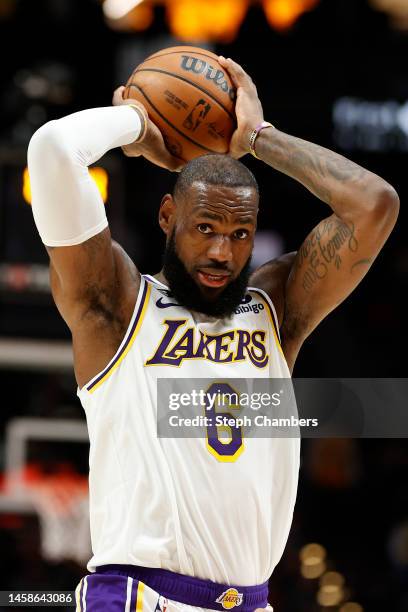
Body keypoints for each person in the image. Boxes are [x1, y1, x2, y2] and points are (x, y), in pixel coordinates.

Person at [27, 56, 399, 612]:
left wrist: (257, 137)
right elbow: (53, 150)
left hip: (249, 602)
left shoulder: (277, 309)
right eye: (205, 228)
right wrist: (134, 120)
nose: (222, 252)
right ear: (167, 216)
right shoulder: (116, 305)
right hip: (138, 596)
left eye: (239, 233)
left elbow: (374, 205)